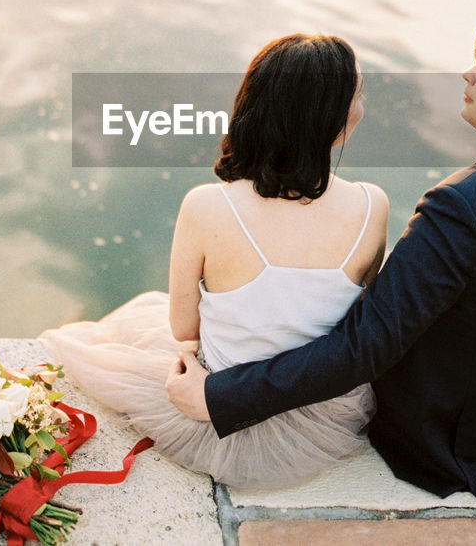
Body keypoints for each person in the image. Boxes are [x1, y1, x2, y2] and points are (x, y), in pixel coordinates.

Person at [166, 5, 476, 506]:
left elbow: (367, 345)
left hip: (456, 444)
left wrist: (219, 397)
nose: (467, 73)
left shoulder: (462, 203)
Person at [38, 33, 389, 489]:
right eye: (357, 94)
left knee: (136, 320)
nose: (362, 103)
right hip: (320, 416)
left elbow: (184, 329)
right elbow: (352, 322)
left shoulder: (206, 206)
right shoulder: (372, 206)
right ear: (336, 119)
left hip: (212, 402)